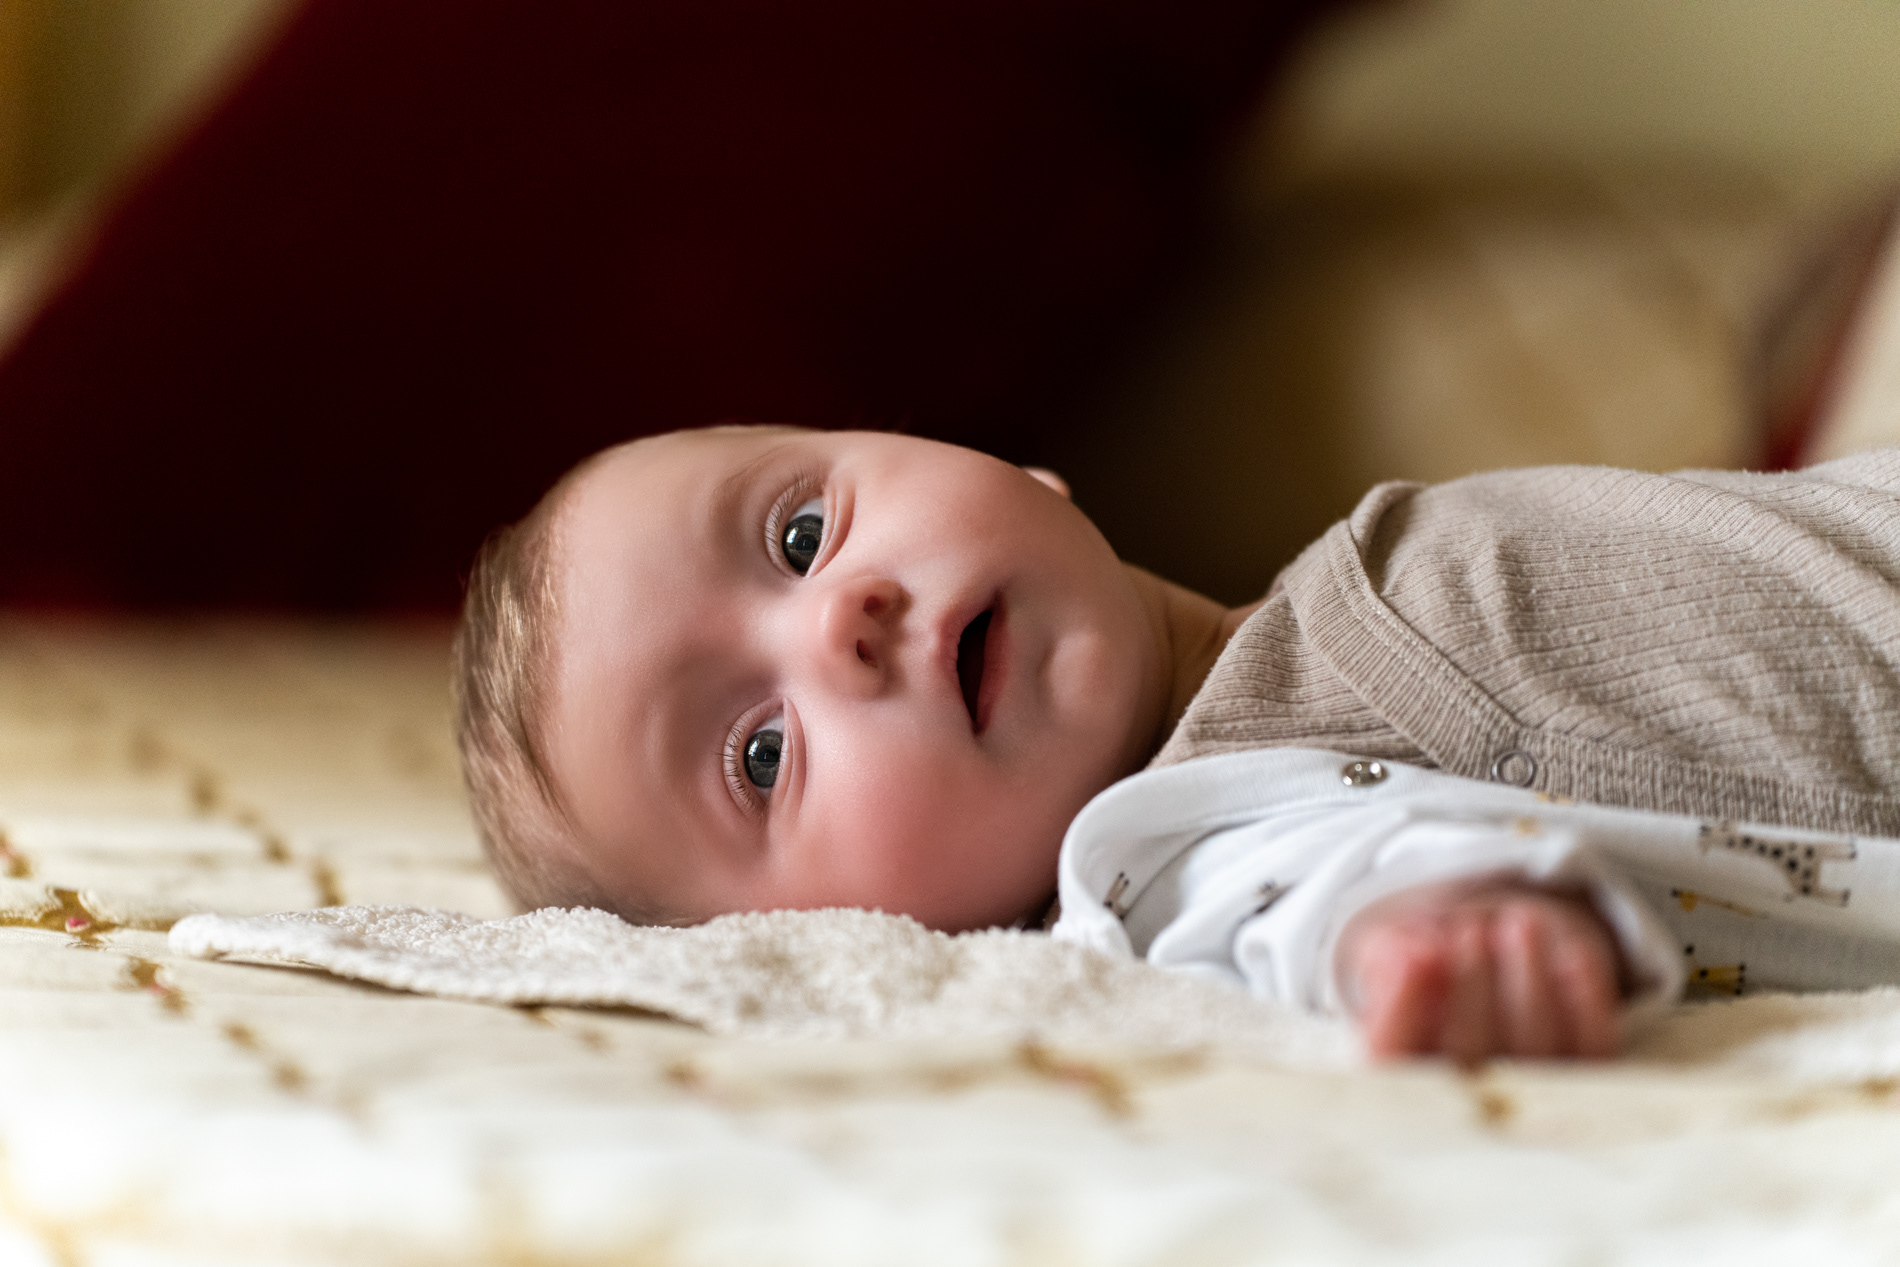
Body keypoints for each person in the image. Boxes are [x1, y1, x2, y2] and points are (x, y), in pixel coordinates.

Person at [452, 425, 1900, 1063]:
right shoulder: (1180, 844)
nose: (842, 621)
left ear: (1014, 470)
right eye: (761, 756)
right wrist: (1430, 933)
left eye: (800, 533)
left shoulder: (1342, 589)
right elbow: (1322, 891)